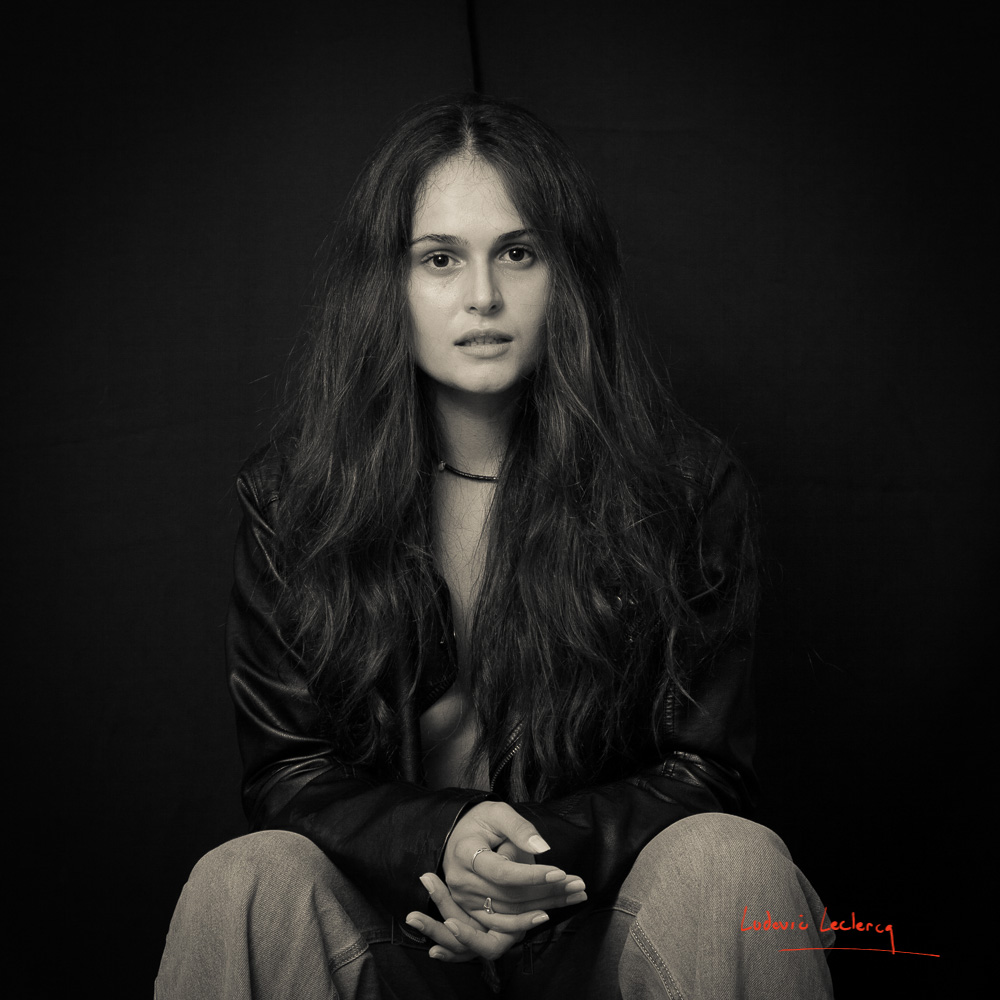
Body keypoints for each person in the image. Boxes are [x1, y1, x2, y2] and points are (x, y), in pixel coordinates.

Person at [156, 93, 835, 998]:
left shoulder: (684, 488)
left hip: (600, 924)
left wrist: (531, 860)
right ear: (388, 284)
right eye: (440, 258)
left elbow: (705, 768)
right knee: (241, 880)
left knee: (733, 863)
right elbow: (291, 771)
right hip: (400, 931)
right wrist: (445, 841)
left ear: (568, 274)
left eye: (517, 253)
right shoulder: (294, 501)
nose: (483, 296)